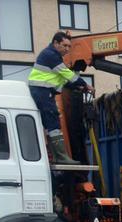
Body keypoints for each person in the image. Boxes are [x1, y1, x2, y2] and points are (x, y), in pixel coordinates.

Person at [28, 32, 93, 165]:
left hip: (43, 90)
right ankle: (61, 156)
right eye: (64, 45)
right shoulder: (51, 55)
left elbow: (60, 79)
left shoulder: (51, 56)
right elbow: (67, 74)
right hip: (42, 91)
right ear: (55, 43)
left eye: (69, 46)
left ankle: (59, 156)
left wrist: (77, 86)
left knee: (52, 122)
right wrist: (85, 84)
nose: (67, 49)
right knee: (52, 122)